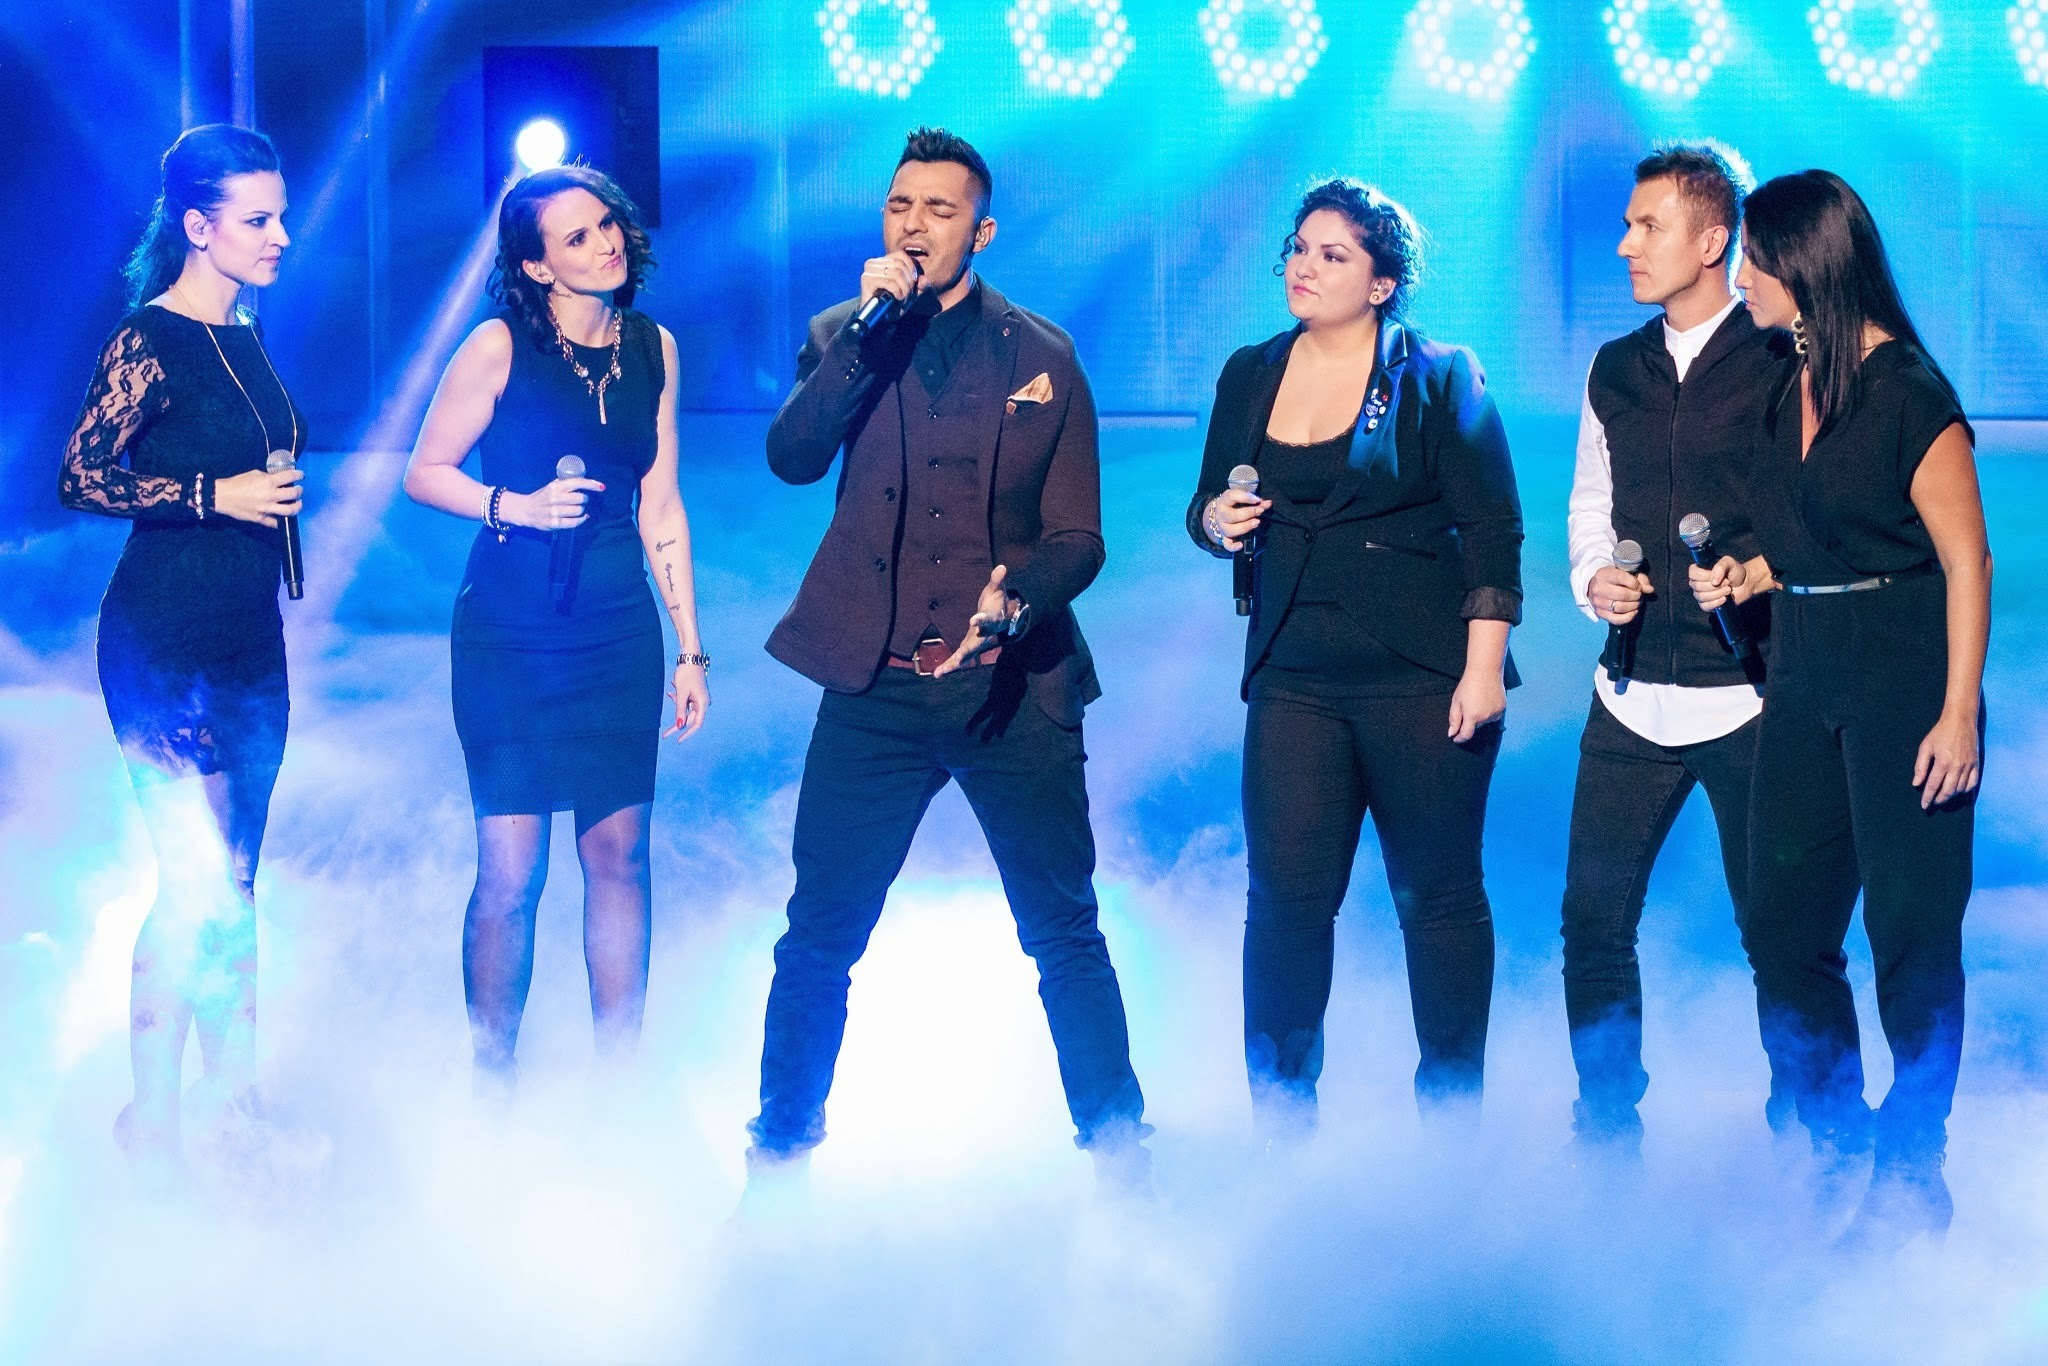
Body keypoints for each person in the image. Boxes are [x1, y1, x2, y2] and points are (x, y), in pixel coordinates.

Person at [748, 127, 1150, 1189]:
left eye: (938, 208)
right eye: (899, 205)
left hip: (1010, 689)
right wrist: (861, 336)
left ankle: (1121, 1160)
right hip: (873, 690)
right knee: (818, 935)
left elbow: (1078, 537)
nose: (914, 225)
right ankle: (778, 1156)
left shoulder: (1042, 355)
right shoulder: (843, 334)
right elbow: (791, 458)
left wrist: (1015, 601)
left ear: (982, 229)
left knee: (1062, 930)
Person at [1189, 179, 1523, 1142]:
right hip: (1292, 676)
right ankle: (1281, 1127)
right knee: (1285, 907)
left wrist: (1483, 667)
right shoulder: (1251, 371)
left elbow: (1492, 528)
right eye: (1299, 248)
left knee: (1439, 901)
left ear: (1382, 284)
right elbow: (1203, 507)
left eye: (1332, 255)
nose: (1304, 266)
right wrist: (1216, 522)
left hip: (1424, 677)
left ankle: (1452, 1127)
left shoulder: (1441, 374)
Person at [1690, 170, 1989, 1245]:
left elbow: (1964, 560)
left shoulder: (1906, 389)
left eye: (1753, 261)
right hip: (1803, 676)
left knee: (1910, 935)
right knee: (1779, 926)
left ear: (1802, 264)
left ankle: (1912, 1165)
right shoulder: (1789, 383)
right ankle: (1828, 1133)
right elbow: (1816, 531)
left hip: (1904, 680)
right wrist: (1757, 570)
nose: (1741, 281)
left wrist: (1957, 713)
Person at [403, 164, 710, 1085]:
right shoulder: (498, 345)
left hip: (617, 630)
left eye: (607, 224)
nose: (605, 243)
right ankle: (491, 1079)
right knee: (512, 873)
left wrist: (691, 650)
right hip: (510, 633)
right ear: (537, 265)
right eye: (577, 237)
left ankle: (617, 1084)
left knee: (620, 856)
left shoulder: (654, 346)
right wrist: (516, 506)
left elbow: (661, 504)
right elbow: (425, 471)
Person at [58, 123, 306, 1179]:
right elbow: (80, 475)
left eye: (281, 215)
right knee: (195, 879)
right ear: (199, 227)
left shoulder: (246, 333)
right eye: (259, 220)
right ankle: (153, 1122)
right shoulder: (148, 337)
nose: (280, 235)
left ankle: (232, 1102)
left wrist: (263, 493)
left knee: (237, 880)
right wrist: (216, 491)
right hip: (162, 640)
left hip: (249, 639)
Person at [1558, 145, 1790, 1159]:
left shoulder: (1783, 357)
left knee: (1779, 936)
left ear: (1711, 241)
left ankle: (1808, 1131)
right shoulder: (1614, 366)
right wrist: (1592, 579)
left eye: (1646, 226)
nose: (1625, 245)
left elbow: (1820, 511)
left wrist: (1759, 570)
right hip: (1627, 695)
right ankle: (1606, 1133)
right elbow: (1590, 502)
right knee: (1591, 926)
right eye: (1626, 224)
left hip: (1750, 697)